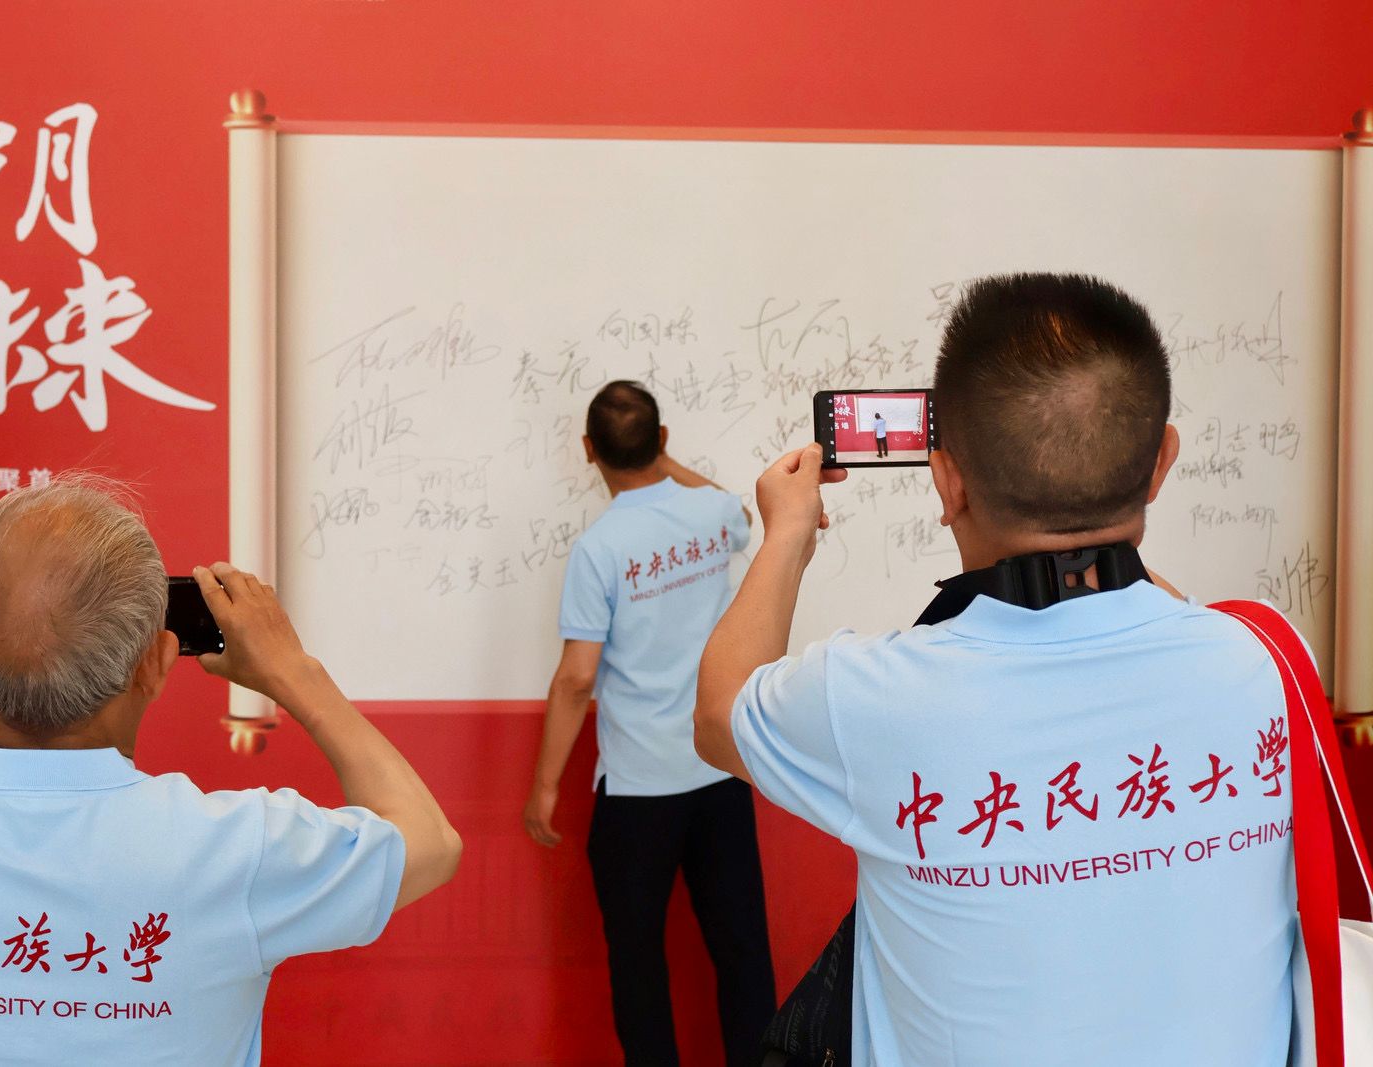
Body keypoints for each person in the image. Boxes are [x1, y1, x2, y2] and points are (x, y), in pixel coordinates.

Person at [695, 273, 1296, 1065]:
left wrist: (787, 533)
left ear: (947, 482)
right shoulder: (1267, 664)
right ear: (1162, 464)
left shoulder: (876, 698)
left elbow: (720, 714)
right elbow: (1169, 615)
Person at [0, 478, 462, 1065]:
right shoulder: (233, 850)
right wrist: (294, 672)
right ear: (155, 663)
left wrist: (3, 686)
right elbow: (429, 841)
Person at [523, 381, 776, 1067]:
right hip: (719, 769)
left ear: (588, 450)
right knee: (743, 950)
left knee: (637, 962)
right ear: (662, 440)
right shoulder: (711, 514)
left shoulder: (599, 548)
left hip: (638, 790)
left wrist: (545, 785)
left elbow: (577, 677)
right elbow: (738, 513)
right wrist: (665, 463)